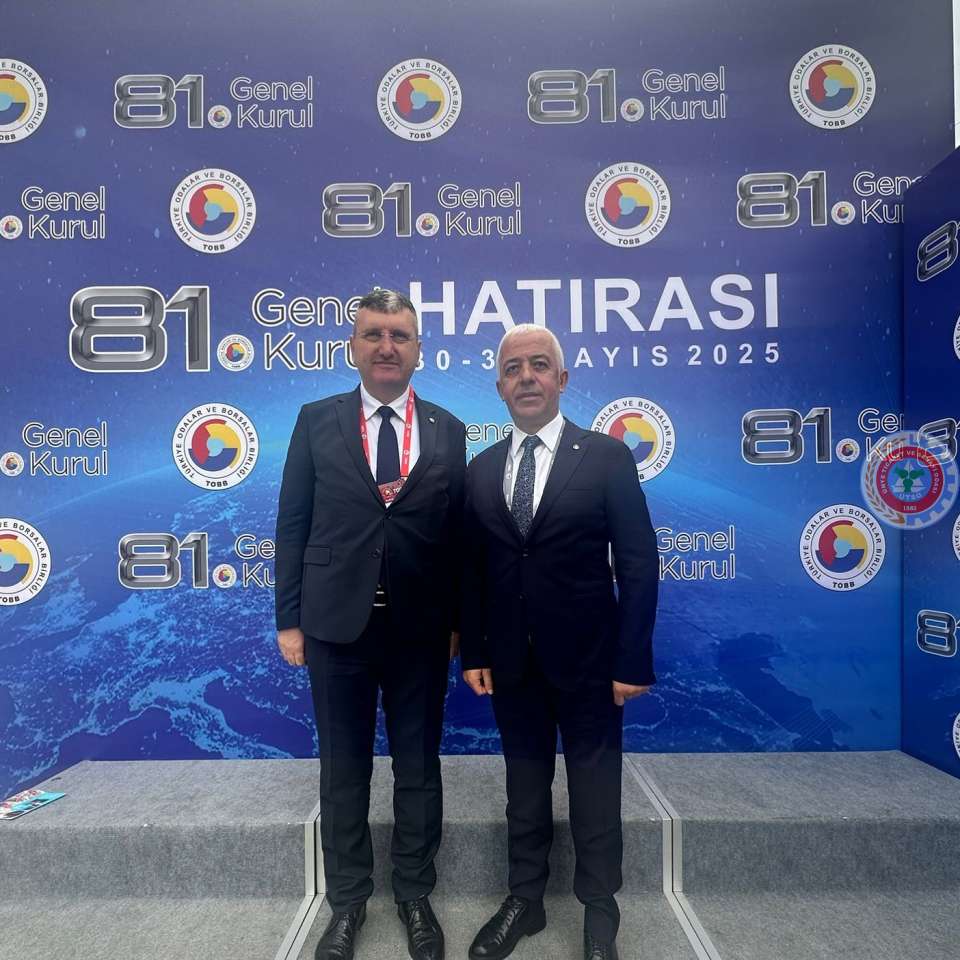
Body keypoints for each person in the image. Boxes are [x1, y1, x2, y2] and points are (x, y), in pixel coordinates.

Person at [275, 289, 465, 960]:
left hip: (421, 631)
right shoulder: (315, 420)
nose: (387, 346)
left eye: (400, 336)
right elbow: (293, 523)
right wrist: (289, 620)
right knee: (343, 771)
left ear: (418, 351)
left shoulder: (448, 428)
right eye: (374, 334)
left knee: (418, 769)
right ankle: (348, 903)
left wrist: (459, 623)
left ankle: (415, 895)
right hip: (335, 627)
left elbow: (456, 538)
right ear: (352, 347)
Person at [460, 324, 659, 960]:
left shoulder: (606, 458)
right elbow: (473, 571)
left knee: (595, 791)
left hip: (593, 664)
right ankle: (526, 900)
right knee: (524, 789)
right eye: (513, 368)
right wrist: (476, 652)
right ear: (499, 386)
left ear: (562, 379)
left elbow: (638, 564)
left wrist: (632, 659)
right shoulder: (480, 470)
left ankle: (600, 913)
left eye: (539, 365)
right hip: (511, 665)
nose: (526, 377)